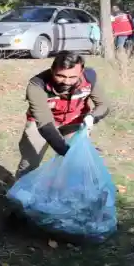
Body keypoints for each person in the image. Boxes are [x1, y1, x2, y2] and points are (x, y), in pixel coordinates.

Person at [16, 51, 110, 179]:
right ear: (52, 70)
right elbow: (45, 123)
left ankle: (66, 194)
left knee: (76, 165)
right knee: (30, 162)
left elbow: (103, 105)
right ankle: (19, 194)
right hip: (42, 124)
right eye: (60, 76)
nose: (66, 81)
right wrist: (66, 151)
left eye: (72, 77)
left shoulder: (89, 78)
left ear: (81, 72)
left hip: (74, 121)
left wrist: (92, 117)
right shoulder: (37, 85)